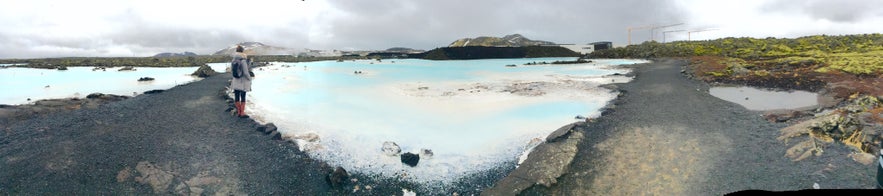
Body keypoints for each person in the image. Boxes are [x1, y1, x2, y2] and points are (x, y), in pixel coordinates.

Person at [231, 45, 253, 118]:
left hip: (235, 81)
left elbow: (232, 71)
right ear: (242, 51)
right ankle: (242, 113)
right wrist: (250, 79)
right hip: (243, 82)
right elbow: (246, 72)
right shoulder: (243, 60)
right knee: (243, 96)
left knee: (237, 96)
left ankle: (239, 112)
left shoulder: (233, 60)